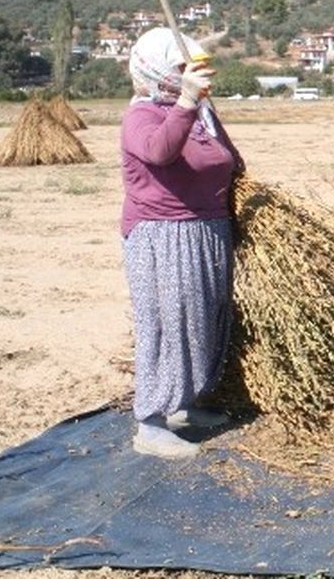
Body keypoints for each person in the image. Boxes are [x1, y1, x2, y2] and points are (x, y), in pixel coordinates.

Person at [120, 27, 244, 458]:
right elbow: (159, 152)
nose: (190, 74)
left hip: (208, 230)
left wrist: (201, 107)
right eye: (179, 67)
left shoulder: (199, 114)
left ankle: (183, 405)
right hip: (164, 235)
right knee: (167, 323)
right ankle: (150, 424)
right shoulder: (143, 116)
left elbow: (229, 160)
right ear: (156, 69)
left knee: (202, 322)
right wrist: (187, 102)